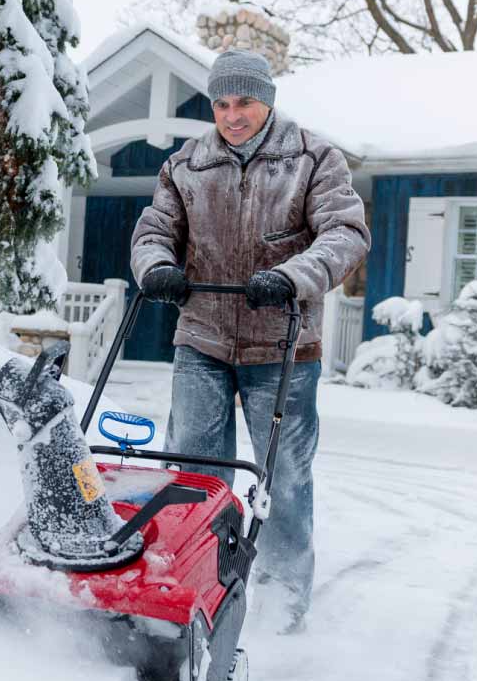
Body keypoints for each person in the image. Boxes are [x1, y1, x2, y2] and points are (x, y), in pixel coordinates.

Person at [129, 50, 370, 629]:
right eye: (222, 103)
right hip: (202, 339)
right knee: (194, 472)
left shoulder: (314, 159)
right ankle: (190, 582)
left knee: (282, 477)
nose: (232, 115)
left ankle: (283, 604)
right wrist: (156, 266)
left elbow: (346, 233)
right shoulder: (186, 164)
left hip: (283, 345)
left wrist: (291, 277)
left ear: (268, 100)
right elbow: (154, 231)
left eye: (245, 102)